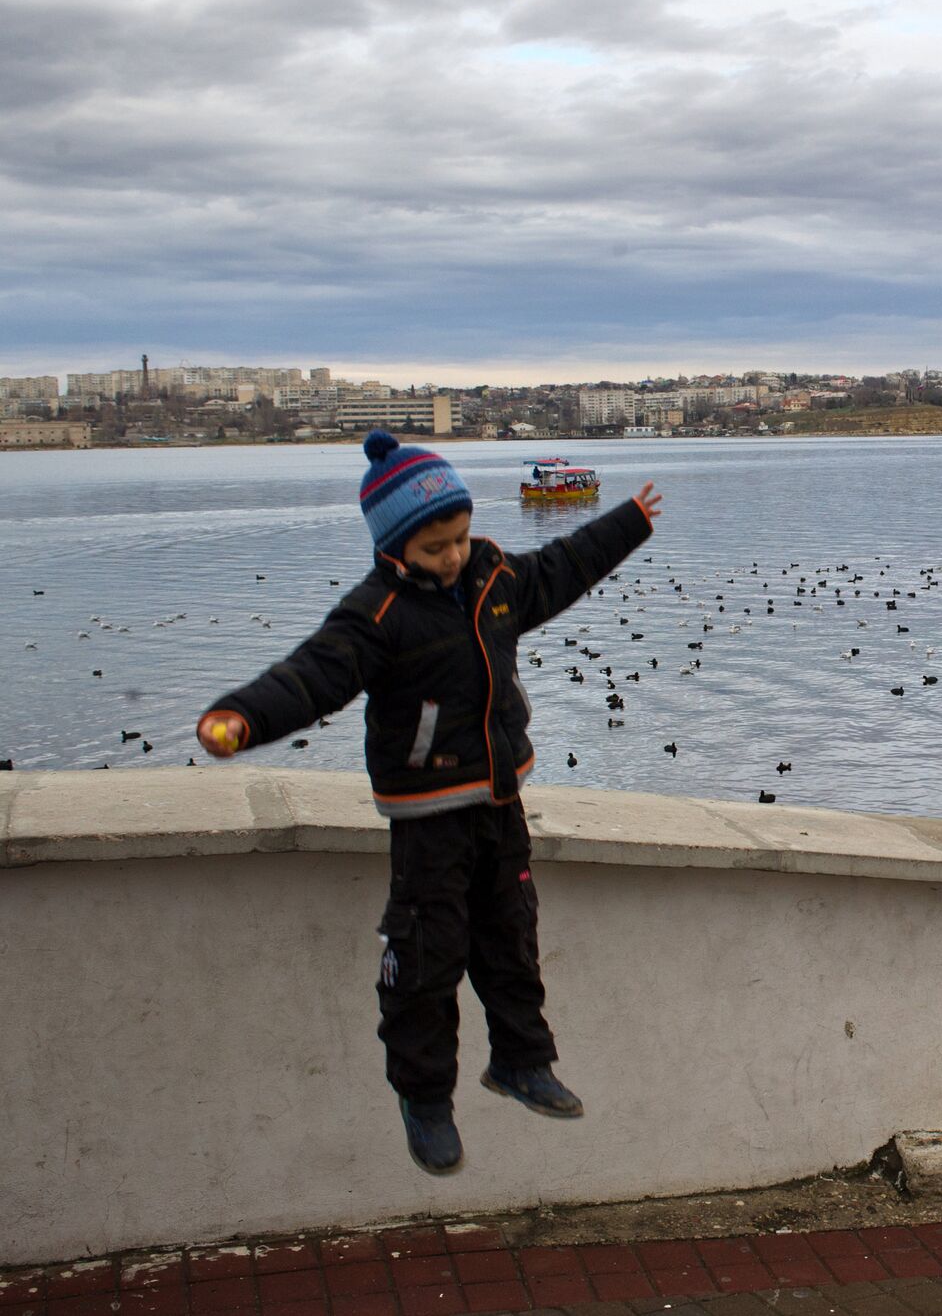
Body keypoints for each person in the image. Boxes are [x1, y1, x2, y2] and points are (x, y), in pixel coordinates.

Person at [196, 430, 663, 1177]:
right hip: (428, 817)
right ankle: (425, 1099)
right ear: (395, 548)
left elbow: (563, 569)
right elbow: (310, 676)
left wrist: (629, 522)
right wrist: (242, 718)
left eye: (460, 536)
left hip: (500, 801)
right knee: (425, 961)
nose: (452, 556)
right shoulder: (376, 615)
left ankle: (521, 1060)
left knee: (512, 941)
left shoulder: (494, 577)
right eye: (434, 546)